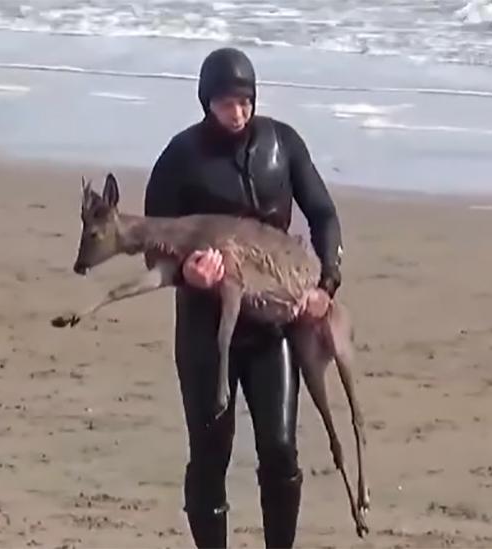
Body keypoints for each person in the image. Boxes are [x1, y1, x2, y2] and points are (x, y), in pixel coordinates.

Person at [142, 46, 344, 549]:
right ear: (206, 102)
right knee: (211, 451)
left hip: (270, 327)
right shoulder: (181, 159)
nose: (239, 111)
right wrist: (189, 270)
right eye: (227, 102)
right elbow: (152, 246)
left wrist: (326, 284)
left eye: (246, 101)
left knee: (279, 449)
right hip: (205, 329)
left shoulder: (283, 145)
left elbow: (323, 214)